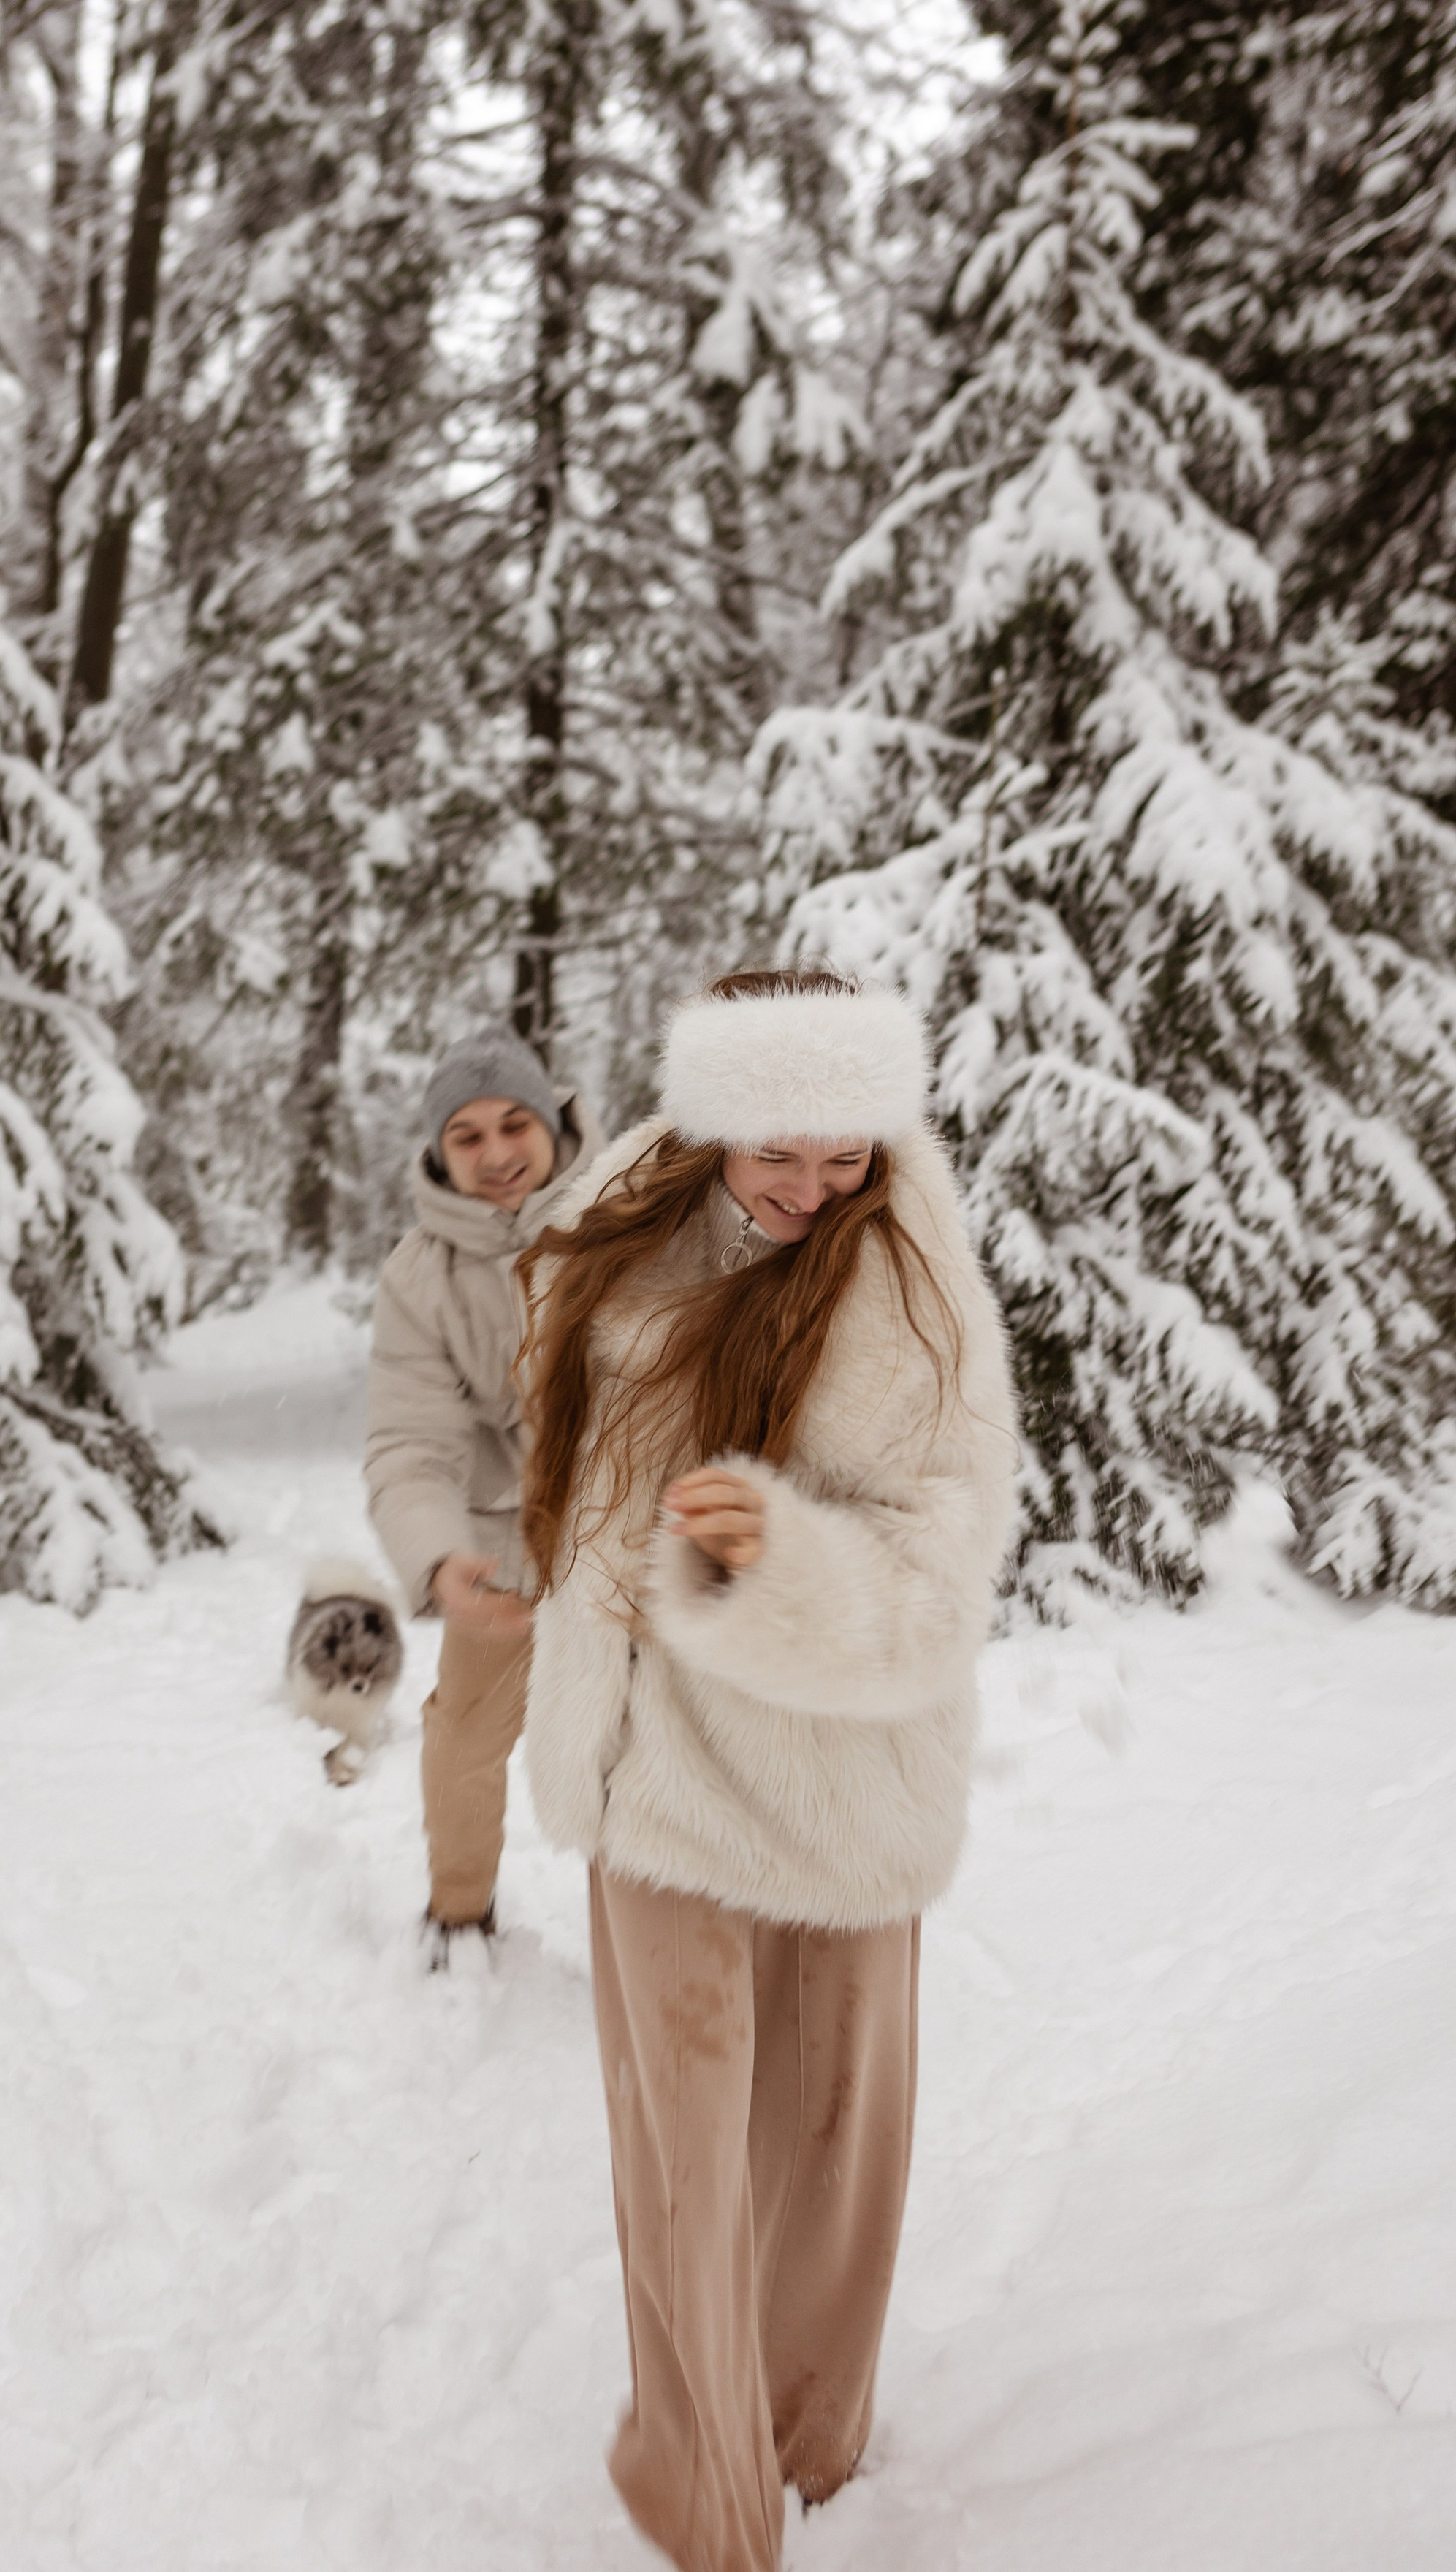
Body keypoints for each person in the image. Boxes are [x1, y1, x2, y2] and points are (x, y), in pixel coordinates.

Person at [517, 968, 1015, 2572]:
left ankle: (808, 2430)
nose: (810, 1191)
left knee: (826, 2134)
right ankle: (704, 2488)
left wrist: (772, 1559)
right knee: (681, 2148)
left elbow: (941, 1570)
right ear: (713, 1123)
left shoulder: (909, 1286)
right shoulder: (618, 1232)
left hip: (835, 1769)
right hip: (647, 1769)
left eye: (843, 1155)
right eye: (775, 1154)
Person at [365, 1023, 598, 1957]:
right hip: (501, 1548)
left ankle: (665, 1932)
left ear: (551, 1123)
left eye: (514, 1124)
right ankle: (459, 1914)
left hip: (631, 1533)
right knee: (463, 1737)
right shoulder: (419, 1278)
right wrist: (439, 1556)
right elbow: (410, 1443)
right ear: (437, 1151)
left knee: (649, 1750)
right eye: (467, 1136)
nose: (497, 1153)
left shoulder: (626, 1216)